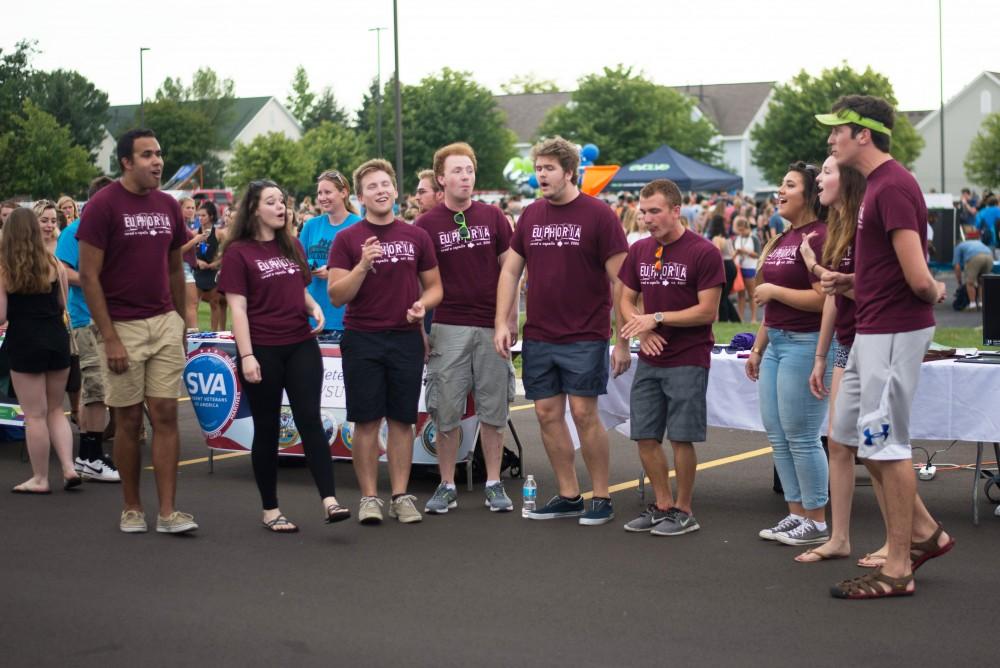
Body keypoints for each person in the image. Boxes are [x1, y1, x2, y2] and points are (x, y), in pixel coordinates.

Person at [816, 95, 953, 599]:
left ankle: (899, 567)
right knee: (850, 437)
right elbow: (891, 271)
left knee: (886, 446)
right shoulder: (876, 186)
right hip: (871, 331)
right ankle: (924, 532)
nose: (831, 140)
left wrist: (933, 292)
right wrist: (851, 281)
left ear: (863, 135)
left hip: (893, 331)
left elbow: (917, 277)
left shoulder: (893, 186)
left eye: (838, 131)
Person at [494, 135, 630, 526]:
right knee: (545, 412)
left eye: (549, 168)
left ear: (570, 172)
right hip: (539, 334)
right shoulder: (532, 215)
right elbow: (510, 270)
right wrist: (502, 321)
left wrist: (622, 339)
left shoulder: (599, 215)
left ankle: (601, 497)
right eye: (537, 168)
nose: (541, 175)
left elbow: (622, 282)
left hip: (585, 333)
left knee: (585, 413)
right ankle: (569, 494)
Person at [78, 128, 197, 534]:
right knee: (127, 420)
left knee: (165, 413)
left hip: (164, 320)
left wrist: (181, 321)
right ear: (126, 162)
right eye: (147, 155)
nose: (157, 162)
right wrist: (108, 336)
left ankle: (168, 512)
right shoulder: (102, 206)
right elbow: (90, 277)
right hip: (120, 326)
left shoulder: (167, 205)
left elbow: (173, 269)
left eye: (159, 154)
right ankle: (132, 507)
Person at [217, 180, 348, 531]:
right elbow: (238, 310)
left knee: (309, 419)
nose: (281, 208)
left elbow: (296, 286)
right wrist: (246, 356)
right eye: (271, 202)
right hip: (262, 349)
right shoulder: (238, 253)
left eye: (283, 202)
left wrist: (314, 307)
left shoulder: (291, 244)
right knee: (268, 428)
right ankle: (271, 509)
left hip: (301, 344)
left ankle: (330, 501)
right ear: (254, 209)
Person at [328, 159, 443, 525]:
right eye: (372, 187)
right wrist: (362, 265)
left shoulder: (416, 236)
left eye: (385, 185)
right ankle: (369, 498)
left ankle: (400, 495)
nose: (380, 191)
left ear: (395, 191)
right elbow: (335, 295)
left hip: (406, 339)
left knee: (401, 421)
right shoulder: (347, 239)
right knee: (365, 422)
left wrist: (422, 307)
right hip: (362, 339)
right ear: (360, 197)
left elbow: (436, 287)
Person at [414, 142, 517, 514]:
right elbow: (418, 285)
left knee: (494, 410)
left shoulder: (493, 217)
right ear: (441, 178)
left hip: (491, 327)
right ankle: (446, 484)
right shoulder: (425, 224)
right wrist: (421, 332)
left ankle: (493, 482)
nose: (465, 177)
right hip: (447, 326)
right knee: (445, 412)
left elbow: (511, 270)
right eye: (457, 171)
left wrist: (510, 320)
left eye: (469, 171)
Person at [617, 179, 724, 535]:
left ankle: (684, 509)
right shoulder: (640, 251)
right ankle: (662, 504)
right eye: (643, 212)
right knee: (644, 435)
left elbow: (708, 312)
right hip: (651, 356)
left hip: (688, 356)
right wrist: (643, 330)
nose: (647, 219)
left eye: (655, 211)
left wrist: (657, 318)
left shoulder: (703, 251)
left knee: (681, 437)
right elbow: (625, 299)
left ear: (676, 210)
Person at [794, 154, 885, 564]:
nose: (818, 180)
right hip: (847, 344)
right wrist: (821, 355)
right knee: (840, 443)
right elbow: (833, 298)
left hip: (877, 344)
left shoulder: (866, 228)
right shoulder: (838, 230)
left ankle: (904, 538)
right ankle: (840, 537)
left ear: (846, 180)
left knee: (879, 447)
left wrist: (821, 271)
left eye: (827, 172)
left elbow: (876, 292)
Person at [745, 161, 832, 547]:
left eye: (789, 184)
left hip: (806, 343)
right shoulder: (782, 239)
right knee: (778, 435)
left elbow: (824, 299)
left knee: (802, 435)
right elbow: (771, 308)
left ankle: (817, 518)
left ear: (810, 193)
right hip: (778, 343)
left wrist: (776, 293)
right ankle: (796, 513)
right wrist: (758, 348)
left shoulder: (821, 235)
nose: (780, 190)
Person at [2, 208, 80, 494]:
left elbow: (1, 315)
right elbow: (62, 303)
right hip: (56, 339)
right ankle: (69, 467)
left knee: (34, 415)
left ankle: (40, 477)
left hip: (25, 341)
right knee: (56, 409)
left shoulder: (5, 268)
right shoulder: (54, 263)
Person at [55, 175, 119, 483]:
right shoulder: (73, 231)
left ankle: (90, 455)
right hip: (84, 319)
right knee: (95, 389)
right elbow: (64, 270)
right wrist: (96, 282)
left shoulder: (114, 232)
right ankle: (90, 456)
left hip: (110, 319)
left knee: (103, 389)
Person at [298, 170, 362, 338]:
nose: (322, 197)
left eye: (328, 192)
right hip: (314, 317)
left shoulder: (359, 225)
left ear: (343, 192)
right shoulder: (311, 226)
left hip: (345, 318)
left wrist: (335, 272)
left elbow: (367, 268)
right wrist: (308, 268)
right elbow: (297, 266)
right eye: (319, 193)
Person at [192, 202, 226, 331]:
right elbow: (186, 252)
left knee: (214, 303)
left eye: (203, 215)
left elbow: (229, 251)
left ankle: (214, 333)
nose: (200, 218)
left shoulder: (219, 233)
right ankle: (194, 333)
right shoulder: (194, 232)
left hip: (213, 273)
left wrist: (215, 263)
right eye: (198, 216)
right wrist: (197, 261)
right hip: (198, 272)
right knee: (194, 305)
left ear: (211, 216)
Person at [708, 215, 740, 322]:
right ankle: (735, 320)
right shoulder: (727, 238)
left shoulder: (716, 238)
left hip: (724, 265)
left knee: (722, 296)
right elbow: (732, 253)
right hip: (731, 265)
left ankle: (724, 320)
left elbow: (717, 252)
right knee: (724, 295)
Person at [952, 238, 993, 311]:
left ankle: (972, 305)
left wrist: (959, 282)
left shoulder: (958, 247)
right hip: (989, 256)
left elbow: (957, 266)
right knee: (982, 282)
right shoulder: (975, 242)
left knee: (970, 283)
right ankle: (981, 304)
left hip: (975, 257)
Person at [733, 216, 760, 323]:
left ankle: (753, 318)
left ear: (746, 228)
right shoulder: (737, 238)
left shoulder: (754, 238)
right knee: (740, 294)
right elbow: (734, 252)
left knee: (752, 294)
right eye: (738, 230)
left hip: (750, 268)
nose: (740, 232)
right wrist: (736, 253)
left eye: (742, 230)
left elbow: (758, 254)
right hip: (739, 268)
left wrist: (745, 251)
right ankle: (740, 318)